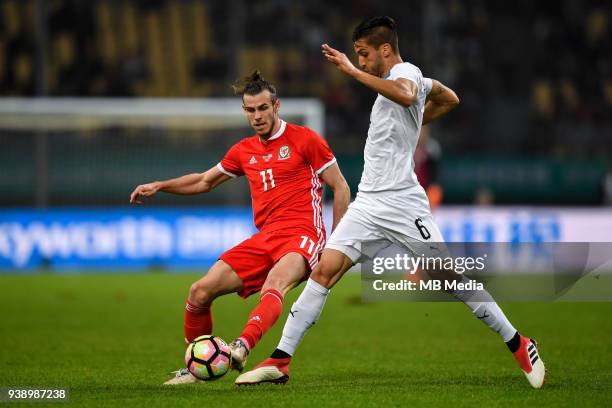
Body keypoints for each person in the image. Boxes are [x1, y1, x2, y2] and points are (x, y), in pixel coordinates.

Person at [236, 17, 546, 389]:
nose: (362, 62)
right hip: (368, 202)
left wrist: (354, 73)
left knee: (450, 278)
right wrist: (418, 115)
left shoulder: (406, 72)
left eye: (364, 54)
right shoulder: (412, 80)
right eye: (357, 58)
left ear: (385, 49)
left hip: (403, 203)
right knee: (324, 273)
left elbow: (406, 93)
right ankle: (280, 360)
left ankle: (519, 343)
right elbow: (449, 97)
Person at [129, 70, 350, 385]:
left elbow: (341, 187)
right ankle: (197, 367)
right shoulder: (243, 150)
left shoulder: (305, 139)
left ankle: (242, 346)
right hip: (265, 238)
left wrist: (336, 243)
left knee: (276, 282)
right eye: (250, 110)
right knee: (199, 291)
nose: (257, 116)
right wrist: (160, 185)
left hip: (303, 234)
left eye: (262, 108)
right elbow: (204, 181)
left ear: (276, 106)